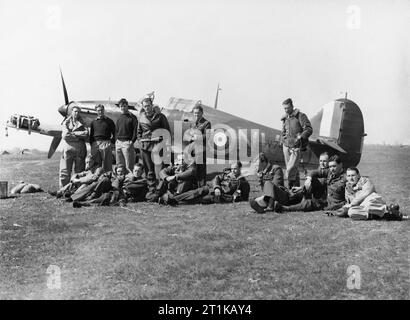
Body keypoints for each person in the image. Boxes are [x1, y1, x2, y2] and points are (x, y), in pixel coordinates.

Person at [275, 155, 346, 213]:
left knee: (309, 203)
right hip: (322, 198)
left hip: (331, 204)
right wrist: (308, 179)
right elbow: (314, 172)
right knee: (313, 181)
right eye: (330, 167)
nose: (332, 169)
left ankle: (284, 208)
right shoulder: (330, 172)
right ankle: (288, 199)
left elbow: (351, 192)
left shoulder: (346, 177)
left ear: (341, 164)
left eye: (334, 166)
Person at [333, 167, 406, 221]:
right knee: (352, 212)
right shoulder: (347, 188)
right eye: (349, 176)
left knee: (367, 204)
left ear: (358, 175)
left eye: (353, 175)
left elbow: (365, 193)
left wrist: (352, 204)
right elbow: (348, 202)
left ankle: (388, 209)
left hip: (373, 201)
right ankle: (384, 214)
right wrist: (337, 211)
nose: (351, 178)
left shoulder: (365, 181)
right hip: (362, 206)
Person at [281, 98, 312, 188]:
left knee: (290, 169)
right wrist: (283, 141)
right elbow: (283, 131)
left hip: (296, 147)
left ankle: (290, 187)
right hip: (286, 146)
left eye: (287, 108)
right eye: (284, 108)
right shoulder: (285, 119)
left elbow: (309, 129)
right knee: (293, 170)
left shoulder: (300, 116)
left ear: (292, 106)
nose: (286, 110)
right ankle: (295, 190)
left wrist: (301, 137)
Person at [137, 97, 171, 178]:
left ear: (152, 105)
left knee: (160, 169)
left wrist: (167, 145)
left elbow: (167, 131)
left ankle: (161, 188)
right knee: (149, 170)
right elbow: (139, 132)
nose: (147, 108)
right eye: (145, 106)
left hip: (158, 145)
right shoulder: (141, 118)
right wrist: (140, 142)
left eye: (148, 105)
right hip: (145, 146)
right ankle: (151, 188)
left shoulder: (161, 117)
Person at [59, 106, 88, 188]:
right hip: (68, 150)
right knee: (65, 171)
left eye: (78, 112)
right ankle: (63, 189)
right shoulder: (66, 123)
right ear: (71, 112)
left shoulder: (83, 123)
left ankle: (77, 189)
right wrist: (79, 135)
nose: (76, 113)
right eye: (75, 111)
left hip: (80, 150)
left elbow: (86, 134)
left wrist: (72, 133)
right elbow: (65, 135)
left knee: (79, 171)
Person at [188, 101, 211, 187]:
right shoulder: (192, 124)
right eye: (195, 113)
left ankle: (202, 190)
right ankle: (194, 189)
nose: (196, 115)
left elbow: (208, 136)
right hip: (193, 150)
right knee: (193, 169)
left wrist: (198, 137)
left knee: (201, 171)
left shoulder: (206, 123)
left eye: (198, 113)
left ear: (202, 113)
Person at [90, 104, 116, 173]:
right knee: (95, 165)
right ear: (96, 111)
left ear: (104, 110)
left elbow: (115, 133)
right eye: (98, 110)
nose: (100, 112)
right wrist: (92, 144)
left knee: (107, 165)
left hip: (106, 143)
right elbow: (91, 135)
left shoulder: (109, 121)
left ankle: (107, 181)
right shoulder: (93, 122)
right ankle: (94, 181)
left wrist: (111, 142)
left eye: (101, 110)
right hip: (95, 144)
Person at [115, 98, 138, 172]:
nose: (122, 108)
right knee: (119, 166)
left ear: (127, 106)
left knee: (129, 167)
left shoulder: (132, 117)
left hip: (127, 143)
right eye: (121, 106)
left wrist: (132, 141)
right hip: (118, 143)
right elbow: (117, 130)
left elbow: (135, 131)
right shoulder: (119, 118)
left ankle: (130, 182)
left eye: (124, 106)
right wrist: (116, 141)